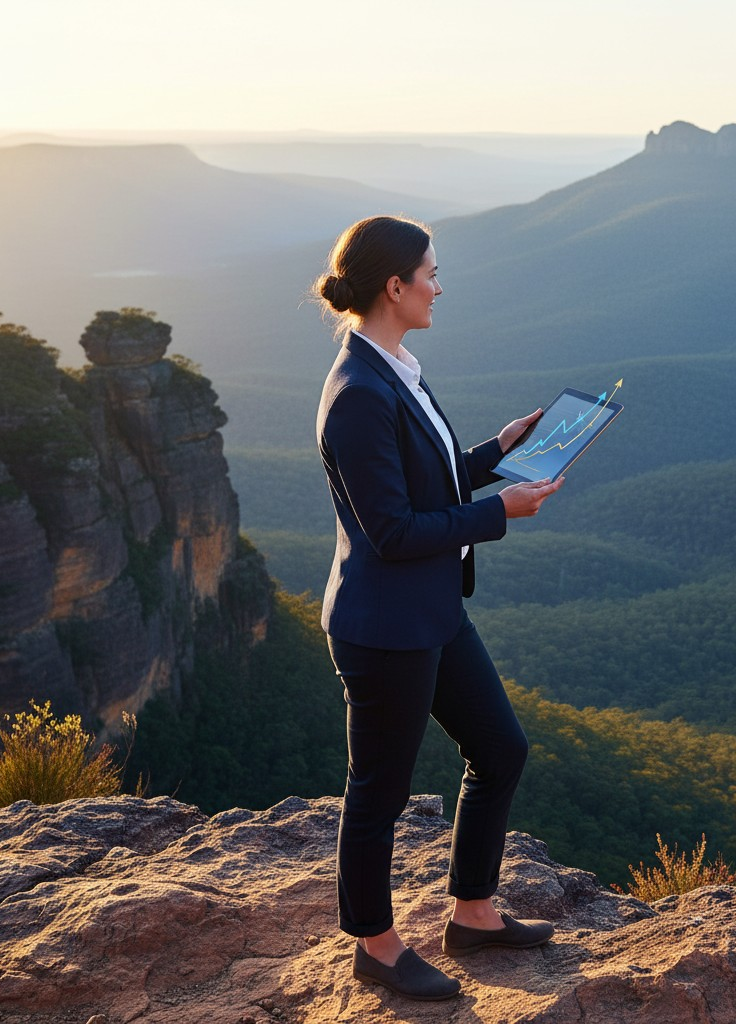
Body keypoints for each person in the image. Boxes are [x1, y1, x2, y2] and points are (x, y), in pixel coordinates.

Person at [314, 215, 563, 1000]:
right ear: (394, 287)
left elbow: (425, 481)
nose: (438, 285)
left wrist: (496, 450)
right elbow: (390, 529)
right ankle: (376, 946)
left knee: (500, 748)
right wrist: (503, 512)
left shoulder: (391, 367)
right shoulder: (358, 392)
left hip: (432, 610)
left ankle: (473, 915)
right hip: (385, 627)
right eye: (429, 273)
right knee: (379, 791)